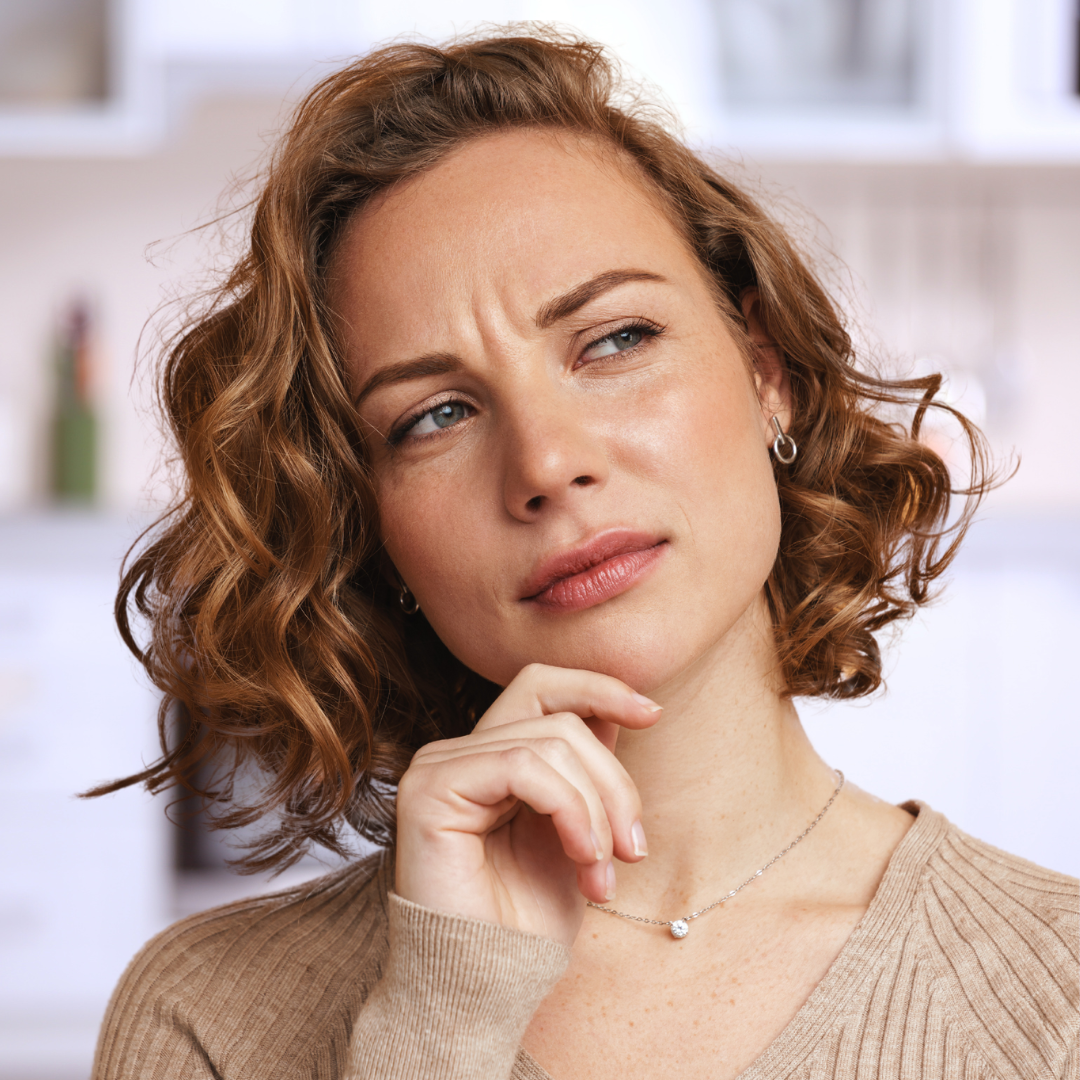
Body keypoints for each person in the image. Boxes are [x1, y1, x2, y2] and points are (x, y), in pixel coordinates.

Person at [90, 30, 1078, 1080]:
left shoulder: (1053, 1000)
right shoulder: (210, 1019)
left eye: (614, 340)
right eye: (434, 415)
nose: (548, 463)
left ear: (766, 372)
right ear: (371, 533)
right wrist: (446, 1017)